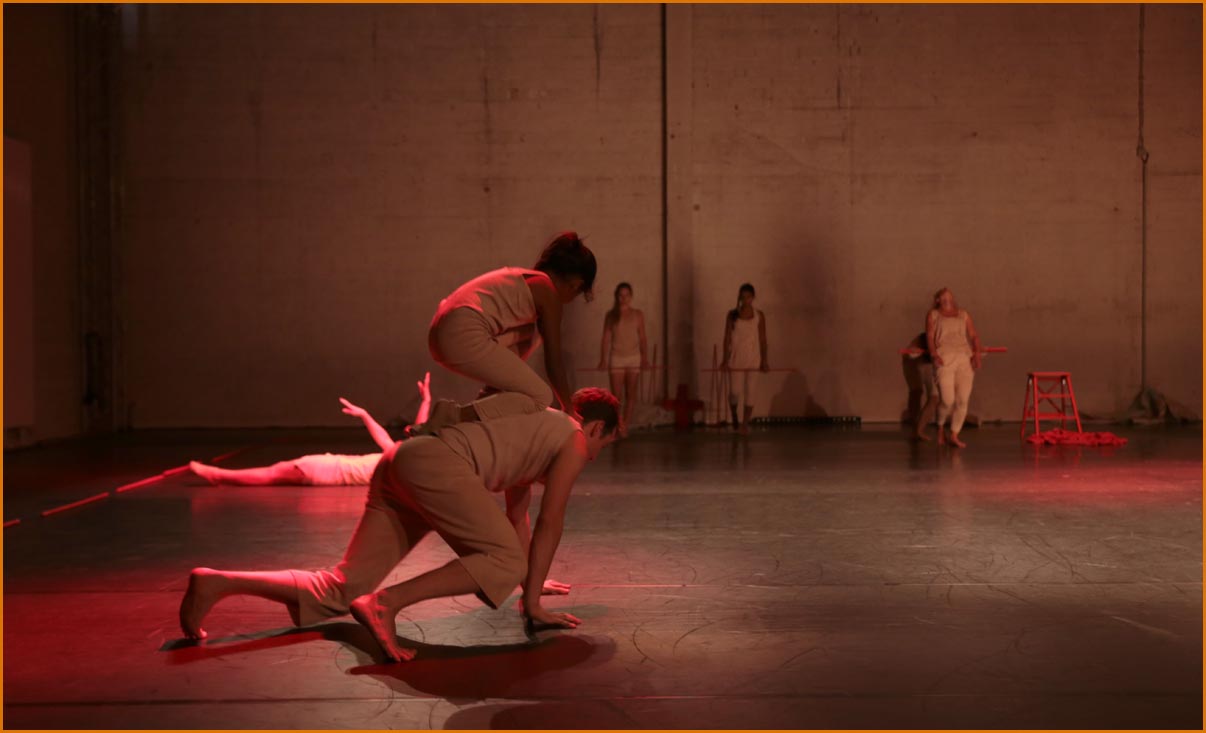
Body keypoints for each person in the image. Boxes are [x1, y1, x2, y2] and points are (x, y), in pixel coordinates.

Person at [178, 388, 622, 664]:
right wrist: (532, 601)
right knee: (503, 560)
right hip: (437, 466)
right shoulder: (573, 440)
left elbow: (518, 516)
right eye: (605, 444)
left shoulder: (539, 429)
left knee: (340, 589)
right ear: (595, 427)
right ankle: (385, 604)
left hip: (403, 460)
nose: (596, 455)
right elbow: (550, 522)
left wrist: (531, 585)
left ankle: (217, 582)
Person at [422, 232, 597, 431]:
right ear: (576, 284)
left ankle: (461, 422)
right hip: (462, 329)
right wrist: (568, 408)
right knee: (540, 396)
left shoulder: (523, 283)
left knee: (522, 369)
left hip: (442, 329)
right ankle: (452, 416)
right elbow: (554, 359)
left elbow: (506, 370)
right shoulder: (547, 292)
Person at [188, 374, 433, 486]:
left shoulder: (400, 462)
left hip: (327, 470)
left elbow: (406, 437)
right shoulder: (401, 463)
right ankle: (219, 475)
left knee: (273, 474)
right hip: (330, 467)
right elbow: (416, 434)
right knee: (275, 473)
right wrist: (425, 401)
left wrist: (365, 415)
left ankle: (218, 475)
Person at [927, 287, 983, 448]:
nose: (947, 298)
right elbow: (930, 335)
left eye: (949, 296)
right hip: (944, 358)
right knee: (947, 400)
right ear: (938, 300)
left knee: (962, 399)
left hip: (964, 358)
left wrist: (977, 353)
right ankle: (940, 426)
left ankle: (954, 434)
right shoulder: (933, 315)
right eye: (943, 297)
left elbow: (973, 335)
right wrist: (933, 354)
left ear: (952, 298)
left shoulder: (963, 314)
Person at [596, 282, 648, 437]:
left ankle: (625, 425)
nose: (624, 298)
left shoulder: (638, 314)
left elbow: (643, 338)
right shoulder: (611, 315)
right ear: (617, 297)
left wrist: (644, 358)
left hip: (633, 357)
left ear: (631, 297)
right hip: (617, 357)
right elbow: (606, 339)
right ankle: (618, 424)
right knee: (616, 397)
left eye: (627, 295)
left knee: (631, 394)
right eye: (621, 295)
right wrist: (603, 359)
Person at [721, 283, 769, 435]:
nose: (745, 300)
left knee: (751, 393)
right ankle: (734, 413)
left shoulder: (759, 316)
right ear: (740, 298)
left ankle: (745, 424)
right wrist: (725, 359)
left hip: (753, 359)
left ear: (753, 297)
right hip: (736, 359)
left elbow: (763, 339)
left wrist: (764, 360)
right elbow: (727, 338)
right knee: (734, 392)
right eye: (743, 297)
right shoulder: (732, 315)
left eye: (748, 297)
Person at [901, 332, 939, 441]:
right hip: (915, 361)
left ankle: (918, 430)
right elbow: (909, 351)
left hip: (928, 362)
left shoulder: (945, 335)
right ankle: (916, 430)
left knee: (933, 398)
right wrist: (912, 351)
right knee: (916, 392)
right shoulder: (926, 336)